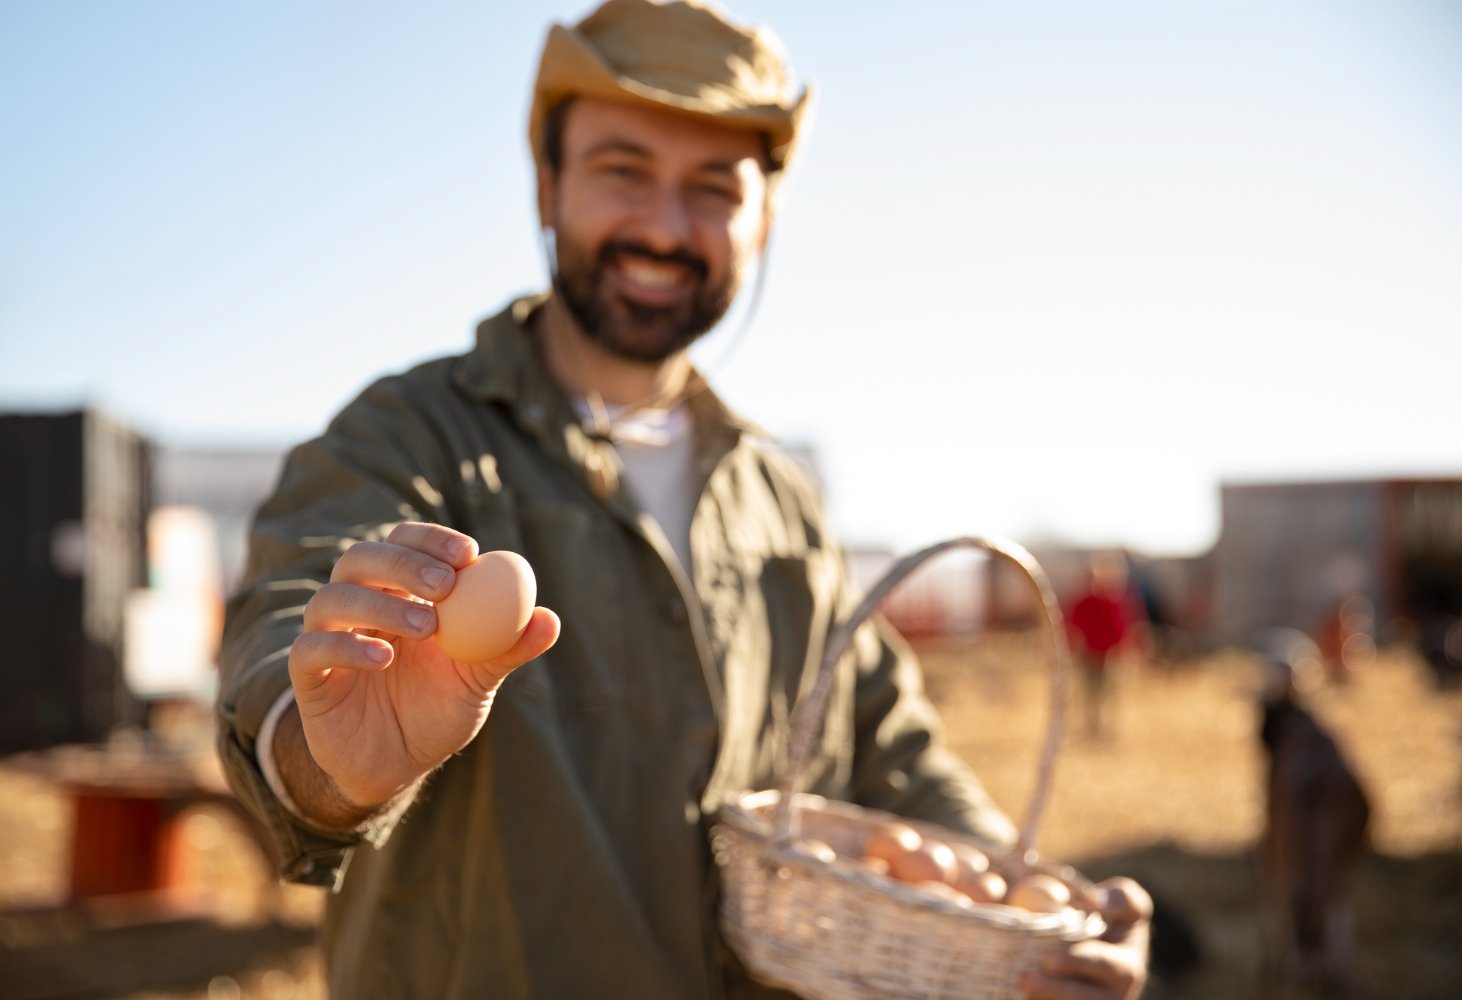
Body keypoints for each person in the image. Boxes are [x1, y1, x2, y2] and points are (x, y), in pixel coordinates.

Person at [215, 2, 1151, 997]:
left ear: (764, 219)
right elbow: (289, 630)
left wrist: (1024, 914)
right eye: (623, 171)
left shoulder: (777, 498)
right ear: (547, 185)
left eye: (713, 188)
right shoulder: (410, 436)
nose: (665, 228)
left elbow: (889, 744)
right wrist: (332, 760)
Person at [1065, 552, 1144, 742]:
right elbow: (1073, 625)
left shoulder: (1113, 602)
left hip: (1109, 656)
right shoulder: (1085, 601)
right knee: (1089, 692)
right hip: (1088, 656)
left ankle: (1106, 728)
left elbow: (1121, 627)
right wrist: (1073, 645)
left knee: (1109, 692)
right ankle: (1090, 727)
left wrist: (1126, 648)